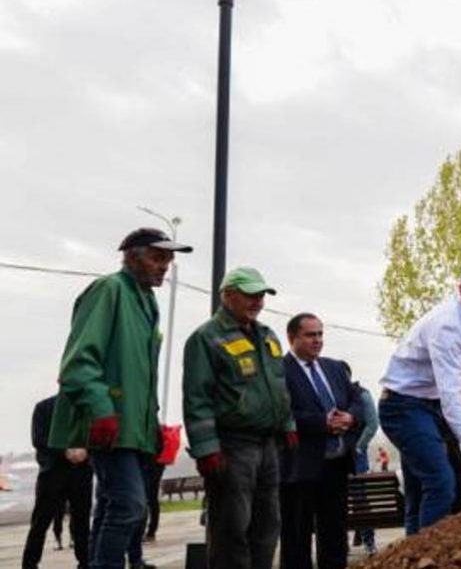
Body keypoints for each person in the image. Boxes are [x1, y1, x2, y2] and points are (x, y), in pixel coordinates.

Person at [48, 227, 191, 569]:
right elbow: (79, 362)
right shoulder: (109, 290)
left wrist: (151, 423)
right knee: (129, 505)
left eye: (168, 260)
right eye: (158, 257)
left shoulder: (147, 301)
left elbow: (141, 376)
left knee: (113, 506)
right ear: (132, 257)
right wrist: (101, 409)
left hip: (134, 429)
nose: (164, 266)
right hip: (110, 423)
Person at [182, 267, 298, 569]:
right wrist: (206, 448)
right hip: (233, 446)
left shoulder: (267, 335)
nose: (258, 302)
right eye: (250, 295)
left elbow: (279, 385)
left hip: (268, 445)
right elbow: (197, 398)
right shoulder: (206, 338)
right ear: (228, 295)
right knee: (231, 527)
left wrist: (288, 423)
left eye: (261, 295)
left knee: (268, 526)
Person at [378, 259, 461, 535]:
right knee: (441, 482)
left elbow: (448, 375)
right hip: (404, 407)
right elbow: (449, 398)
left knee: (419, 489)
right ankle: (427, 554)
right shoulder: (449, 325)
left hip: (424, 403)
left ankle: (412, 551)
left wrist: (460, 388)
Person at [278, 313, 361, 569]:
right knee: (297, 539)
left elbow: (357, 399)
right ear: (292, 338)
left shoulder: (334, 368)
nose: (317, 340)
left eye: (320, 334)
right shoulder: (279, 371)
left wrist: (350, 417)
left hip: (336, 465)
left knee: (335, 535)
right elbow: (281, 413)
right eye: (310, 335)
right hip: (299, 468)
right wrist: (322, 423)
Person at [23, 395, 93, 569]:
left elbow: (97, 437)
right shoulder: (43, 407)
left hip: (80, 472)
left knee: (82, 523)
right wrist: (66, 452)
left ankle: (85, 563)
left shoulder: (88, 408)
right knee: (40, 522)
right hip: (52, 473)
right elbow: (38, 439)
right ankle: (29, 564)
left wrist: (86, 451)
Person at [350, 382, 379, 554]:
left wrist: (358, 447)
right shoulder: (361, 394)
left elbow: (373, 425)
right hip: (351, 453)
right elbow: (372, 424)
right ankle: (366, 539)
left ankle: (367, 539)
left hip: (353, 452)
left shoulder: (361, 395)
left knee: (358, 498)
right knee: (359, 498)